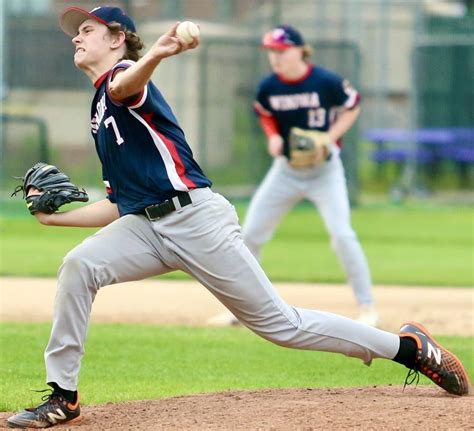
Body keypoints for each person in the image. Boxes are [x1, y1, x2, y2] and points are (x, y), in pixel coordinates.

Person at [6, 7, 470, 429]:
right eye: (76, 32)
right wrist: (54, 221)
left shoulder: (125, 78)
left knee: (282, 326)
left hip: (196, 221)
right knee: (80, 266)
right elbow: (118, 202)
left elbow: (128, 85)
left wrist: (160, 53)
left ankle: (407, 349)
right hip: (146, 226)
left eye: (86, 30)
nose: (75, 38)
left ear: (117, 38)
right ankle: (63, 396)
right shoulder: (100, 109)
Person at [208, 25, 378, 328]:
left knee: (342, 235)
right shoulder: (269, 87)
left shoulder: (325, 81)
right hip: (286, 171)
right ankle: (240, 310)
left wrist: (330, 137)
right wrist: (272, 136)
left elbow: (353, 104)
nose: (276, 58)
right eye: (272, 52)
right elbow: (266, 114)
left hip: (325, 171)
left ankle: (367, 307)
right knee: (248, 236)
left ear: (300, 50)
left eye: (281, 51)